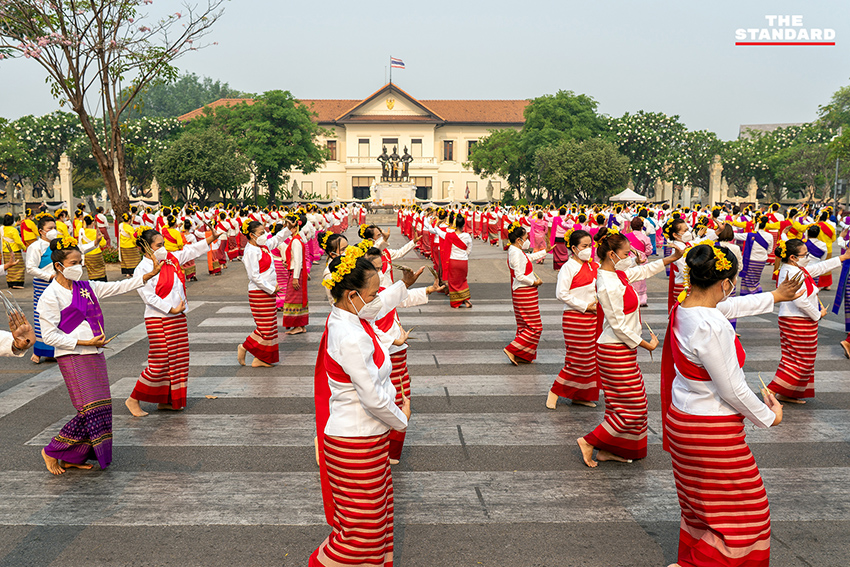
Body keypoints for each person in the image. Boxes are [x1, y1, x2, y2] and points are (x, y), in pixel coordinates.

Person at [661, 243, 800, 567]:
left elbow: (730, 307)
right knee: (746, 516)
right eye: (730, 284)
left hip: (684, 421)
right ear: (725, 283)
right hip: (711, 431)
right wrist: (770, 416)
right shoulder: (712, 325)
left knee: (704, 512)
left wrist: (775, 297)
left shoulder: (684, 309)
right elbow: (733, 389)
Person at [311, 245, 422, 567]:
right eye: (371, 294)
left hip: (366, 437)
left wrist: (404, 286)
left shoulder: (348, 316)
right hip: (354, 441)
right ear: (351, 295)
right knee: (362, 533)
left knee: (374, 521)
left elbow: (377, 306)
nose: (375, 299)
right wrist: (402, 419)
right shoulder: (351, 335)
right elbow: (372, 396)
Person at [38, 236, 161, 475]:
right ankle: (53, 450)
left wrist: (146, 276)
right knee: (90, 409)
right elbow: (48, 336)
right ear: (59, 266)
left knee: (101, 407)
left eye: (80, 261)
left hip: (94, 352)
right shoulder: (49, 296)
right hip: (73, 355)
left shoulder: (86, 287)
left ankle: (73, 456)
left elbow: (116, 286)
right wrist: (82, 341)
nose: (79, 266)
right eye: (74, 262)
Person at [577, 228, 681, 468]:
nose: (630, 256)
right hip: (614, 350)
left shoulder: (617, 274)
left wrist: (669, 259)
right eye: (626, 252)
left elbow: (641, 270)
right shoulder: (607, 283)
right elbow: (619, 326)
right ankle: (589, 441)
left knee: (620, 404)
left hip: (620, 349)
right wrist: (647, 345)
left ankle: (608, 450)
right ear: (612, 255)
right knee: (635, 405)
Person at [123, 226, 220, 417]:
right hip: (159, 319)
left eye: (163, 244)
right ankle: (133, 399)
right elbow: (149, 297)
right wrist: (171, 308)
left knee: (177, 361)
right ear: (145, 248)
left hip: (177, 318)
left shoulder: (170, 259)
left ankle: (167, 400)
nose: (163, 248)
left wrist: (210, 239)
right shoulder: (142, 269)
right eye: (159, 245)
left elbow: (190, 251)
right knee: (160, 362)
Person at [767, 238, 850, 404]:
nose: (808, 256)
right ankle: (771, 390)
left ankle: (787, 393)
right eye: (805, 254)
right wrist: (818, 314)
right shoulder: (791, 272)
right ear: (793, 257)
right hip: (796, 321)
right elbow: (800, 301)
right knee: (800, 360)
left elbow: (817, 268)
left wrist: (842, 258)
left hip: (800, 320)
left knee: (800, 358)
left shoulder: (795, 268)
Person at [547, 229, 601, 409]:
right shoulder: (568, 267)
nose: (589, 250)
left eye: (590, 246)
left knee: (590, 360)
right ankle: (555, 390)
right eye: (584, 246)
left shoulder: (595, 266)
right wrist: (585, 306)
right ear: (574, 248)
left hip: (593, 318)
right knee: (577, 359)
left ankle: (580, 395)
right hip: (575, 318)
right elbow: (561, 294)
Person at [237, 220, 291, 367]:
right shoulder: (250, 251)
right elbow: (254, 276)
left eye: (264, 231)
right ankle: (245, 347)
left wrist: (288, 229)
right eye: (261, 233)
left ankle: (262, 358)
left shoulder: (263, 246)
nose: (265, 235)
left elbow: (277, 239)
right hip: (259, 293)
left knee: (271, 326)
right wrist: (271, 288)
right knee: (265, 327)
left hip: (269, 291)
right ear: (251, 235)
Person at [503, 222, 548, 365]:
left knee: (525, 326)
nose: (528, 240)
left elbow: (529, 258)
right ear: (519, 240)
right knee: (535, 326)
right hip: (524, 292)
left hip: (524, 292)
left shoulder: (516, 250)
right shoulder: (515, 252)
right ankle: (512, 349)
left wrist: (545, 251)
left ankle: (522, 354)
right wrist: (534, 283)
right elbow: (519, 275)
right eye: (526, 237)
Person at [25, 214, 58, 363]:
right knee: (41, 316)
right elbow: (30, 268)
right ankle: (38, 352)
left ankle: (56, 350)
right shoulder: (35, 247)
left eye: (54, 228)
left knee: (57, 316)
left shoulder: (59, 245)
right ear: (41, 231)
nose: (53, 231)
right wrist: (48, 276)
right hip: (43, 284)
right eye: (50, 228)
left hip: (58, 284)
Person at [282, 212, 309, 335]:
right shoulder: (298, 239)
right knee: (298, 298)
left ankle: (297, 325)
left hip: (296, 272)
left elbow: (298, 260)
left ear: (294, 227)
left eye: (288, 226)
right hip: (296, 271)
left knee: (293, 299)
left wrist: (295, 277)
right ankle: (300, 325)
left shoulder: (296, 241)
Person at [77, 215, 108, 282]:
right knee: (101, 270)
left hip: (87, 255)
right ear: (92, 223)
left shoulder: (82, 232)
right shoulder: (96, 232)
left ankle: (93, 285)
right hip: (97, 254)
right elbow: (103, 244)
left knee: (91, 272)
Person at [2, 213, 26, 289]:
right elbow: (18, 241)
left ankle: (10, 283)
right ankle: (17, 283)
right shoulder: (14, 230)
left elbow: (8, 228)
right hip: (15, 251)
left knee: (9, 268)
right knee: (19, 267)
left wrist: (16, 224)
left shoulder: (2, 229)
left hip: (5, 251)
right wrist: (24, 247)